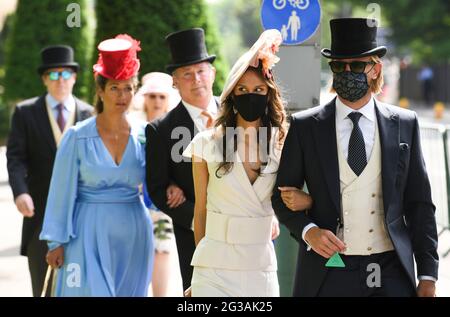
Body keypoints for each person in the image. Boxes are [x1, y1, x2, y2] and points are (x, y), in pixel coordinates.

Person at [272, 18, 439, 297]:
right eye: (339, 66)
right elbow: (280, 197)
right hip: (328, 270)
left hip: (390, 268)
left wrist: (428, 274)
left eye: (357, 65)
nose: (347, 72)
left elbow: (420, 204)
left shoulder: (405, 123)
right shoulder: (305, 126)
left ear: (375, 69)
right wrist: (309, 231)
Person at [183, 29, 312, 297]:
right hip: (212, 269)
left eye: (258, 89)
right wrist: (197, 276)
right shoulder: (206, 143)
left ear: (268, 94)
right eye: (242, 89)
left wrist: (305, 202)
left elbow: (308, 192)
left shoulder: (283, 143)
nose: (250, 95)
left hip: (260, 266)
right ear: (231, 95)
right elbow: (201, 211)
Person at [39, 34, 154, 296]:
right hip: (86, 232)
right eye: (114, 87)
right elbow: (60, 191)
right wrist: (56, 241)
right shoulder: (77, 136)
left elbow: (156, 185)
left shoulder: (145, 134)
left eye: (128, 87)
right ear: (100, 91)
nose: (122, 95)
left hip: (135, 233)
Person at [6, 45, 93, 297]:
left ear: (74, 77)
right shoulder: (25, 113)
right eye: (53, 75)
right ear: (45, 79)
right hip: (39, 215)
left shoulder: (89, 114)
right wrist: (20, 192)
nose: (60, 81)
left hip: (83, 214)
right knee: (42, 286)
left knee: (81, 285)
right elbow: (15, 158)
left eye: (65, 74)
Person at [146, 28, 219, 292]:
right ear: (175, 82)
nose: (196, 79)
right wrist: (199, 219)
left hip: (244, 234)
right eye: (187, 74)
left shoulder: (237, 114)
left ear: (213, 73)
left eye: (201, 71)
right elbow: (156, 188)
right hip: (193, 237)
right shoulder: (161, 129)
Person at [136, 72, 180, 296]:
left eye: (162, 96)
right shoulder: (132, 127)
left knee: (162, 251)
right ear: (144, 98)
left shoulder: (172, 129)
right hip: (134, 201)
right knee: (138, 253)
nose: (156, 101)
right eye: (152, 96)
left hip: (162, 202)